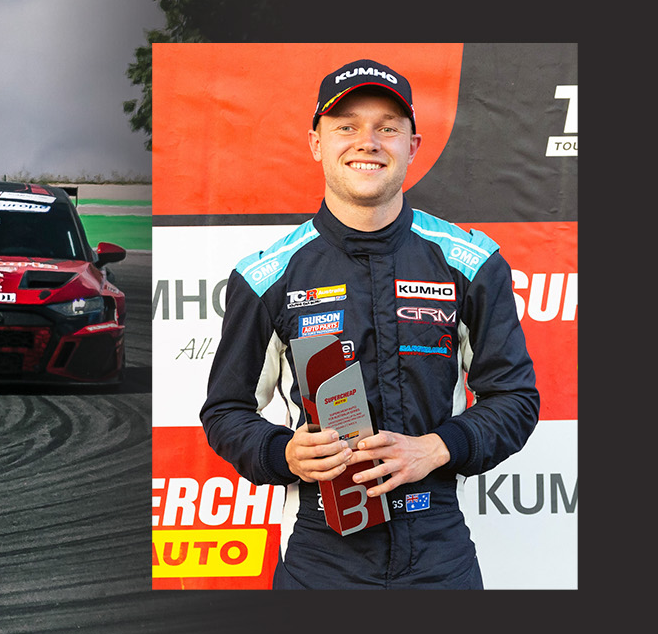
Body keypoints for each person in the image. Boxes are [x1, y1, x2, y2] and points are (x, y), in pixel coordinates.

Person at [199, 59, 539, 589]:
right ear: (316, 143)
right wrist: (281, 452)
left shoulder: (472, 262)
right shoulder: (265, 277)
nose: (368, 141)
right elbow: (225, 411)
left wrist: (437, 447)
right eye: (346, 126)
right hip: (320, 553)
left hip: (439, 548)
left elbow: (516, 398)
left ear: (413, 145)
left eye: (387, 127)